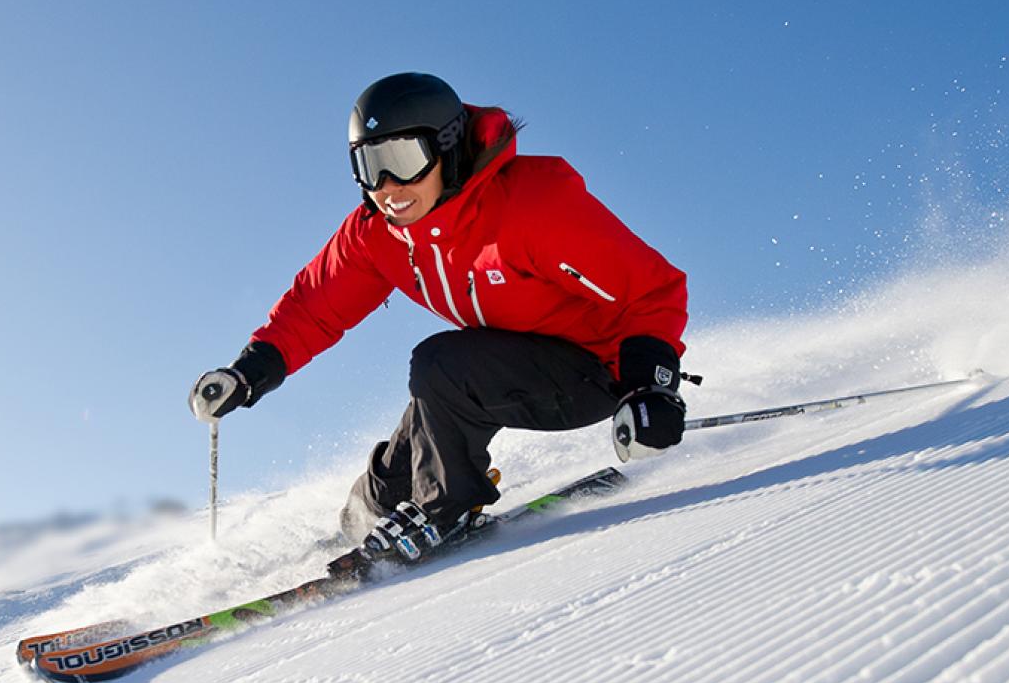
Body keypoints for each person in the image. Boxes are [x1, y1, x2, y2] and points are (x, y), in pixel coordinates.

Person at [189, 72, 689, 565]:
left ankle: (447, 508)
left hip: (600, 373)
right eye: (371, 165)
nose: (388, 187)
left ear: (446, 151)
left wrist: (652, 386)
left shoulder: (532, 205)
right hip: (501, 366)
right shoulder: (377, 235)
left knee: (440, 366)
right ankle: (366, 520)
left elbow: (651, 289)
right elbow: (314, 308)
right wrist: (246, 374)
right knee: (406, 453)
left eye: (404, 160)